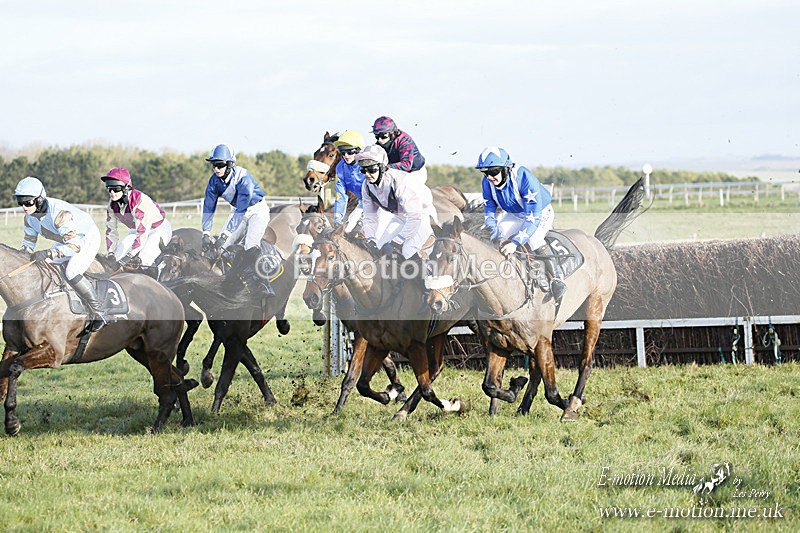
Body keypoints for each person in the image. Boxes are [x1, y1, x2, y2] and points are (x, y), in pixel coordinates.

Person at [14, 176, 109, 334]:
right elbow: (29, 242)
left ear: (39, 199)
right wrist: (21, 257)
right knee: (47, 264)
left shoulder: (59, 214)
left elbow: (74, 247)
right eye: (20, 202)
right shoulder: (29, 218)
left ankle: (100, 312)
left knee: (71, 271)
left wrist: (48, 252)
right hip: (65, 239)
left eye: (28, 202)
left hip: (85, 238)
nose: (24, 206)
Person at [478, 146, 566, 299]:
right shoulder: (487, 183)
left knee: (533, 238)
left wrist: (515, 243)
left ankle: (556, 278)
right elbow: (490, 212)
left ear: (506, 168)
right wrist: (493, 233)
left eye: (493, 172)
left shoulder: (524, 177)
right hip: (514, 214)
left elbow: (533, 217)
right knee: (499, 235)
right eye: (485, 173)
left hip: (539, 212)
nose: (490, 177)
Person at [201, 143, 274, 298]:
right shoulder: (214, 181)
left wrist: (224, 235)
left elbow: (242, 208)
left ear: (229, 164)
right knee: (221, 249)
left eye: (220, 165)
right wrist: (206, 233)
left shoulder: (243, 178)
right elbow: (209, 205)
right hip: (237, 211)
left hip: (256, 210)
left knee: (250, 245)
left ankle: (264, 283)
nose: (216, 169)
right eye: (213, 165)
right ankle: (231, 279)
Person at [355, 144, 436, 261]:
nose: (367, 174)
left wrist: (397, 242)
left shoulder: (399, 183)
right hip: (400, 216)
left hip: (421, 215)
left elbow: (415, 217)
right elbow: (369, 217)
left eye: (371, 169)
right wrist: (371, 239)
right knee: (380, 248)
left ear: (382, 167)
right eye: (363, 170)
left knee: (407, 250)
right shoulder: (366, 186)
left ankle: (427, 276)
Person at [101, 167, 172, 276]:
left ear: (126, 187)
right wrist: (111, 253)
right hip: (137, 230)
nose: (111, 192)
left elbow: (142, 233)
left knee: (143, 261)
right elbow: (111, 230)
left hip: (158, 229)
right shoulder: (112, 204)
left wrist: (129, 255)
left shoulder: (139, 202)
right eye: (109, 188)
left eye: (116, 189)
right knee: (117, 257)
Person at [371, 116, 427, 184]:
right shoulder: (380, 143)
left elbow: (406, 165)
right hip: (397, 172)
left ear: (393, 133)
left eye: (383, 136)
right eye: (377, 136)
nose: (379, 140)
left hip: (415, 172)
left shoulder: (405, 141)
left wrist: (385, 167)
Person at [332, 130, 366, 231]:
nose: (346, 156)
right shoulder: (340, 168)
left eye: (350, 152)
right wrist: (338, 219)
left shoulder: (367, 163)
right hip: (363, 203)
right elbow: (341, 195)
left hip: (381, 204)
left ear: (359, 150)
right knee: (347, 231)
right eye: (343, 152)